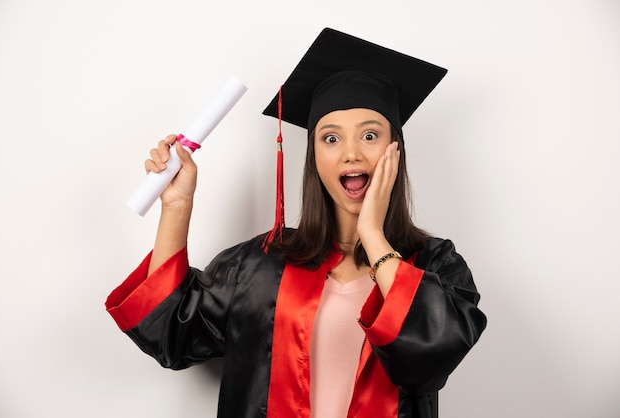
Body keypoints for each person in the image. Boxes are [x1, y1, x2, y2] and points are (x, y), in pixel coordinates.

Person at [106, 27, 487, 418]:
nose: (351, 154)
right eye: (331, 139)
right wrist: (177, 205)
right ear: (314, 157)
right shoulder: (261, 263)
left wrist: (372, 235)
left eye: (370, 135)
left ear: (395, 151)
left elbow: (436, 351)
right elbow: (169, 331)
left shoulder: (434, 266)